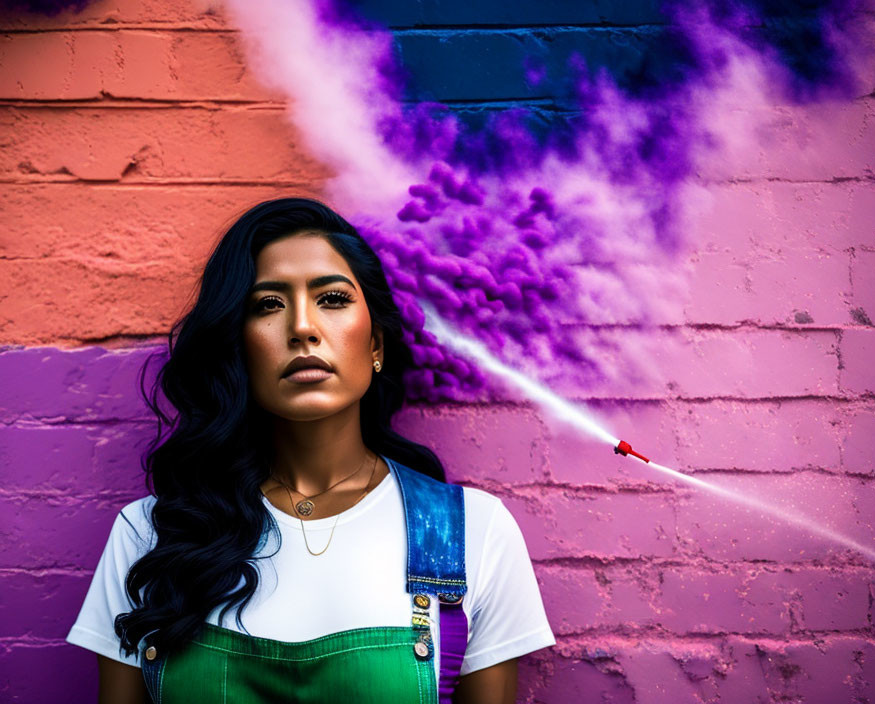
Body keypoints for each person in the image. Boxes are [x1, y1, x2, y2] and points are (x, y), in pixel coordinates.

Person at [66, 197, 555, 703]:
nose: (302, 327)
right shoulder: (151, 536)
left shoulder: (471, 534)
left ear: (376, 346)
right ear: (237, 346)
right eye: (268, 305)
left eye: (334, 299)